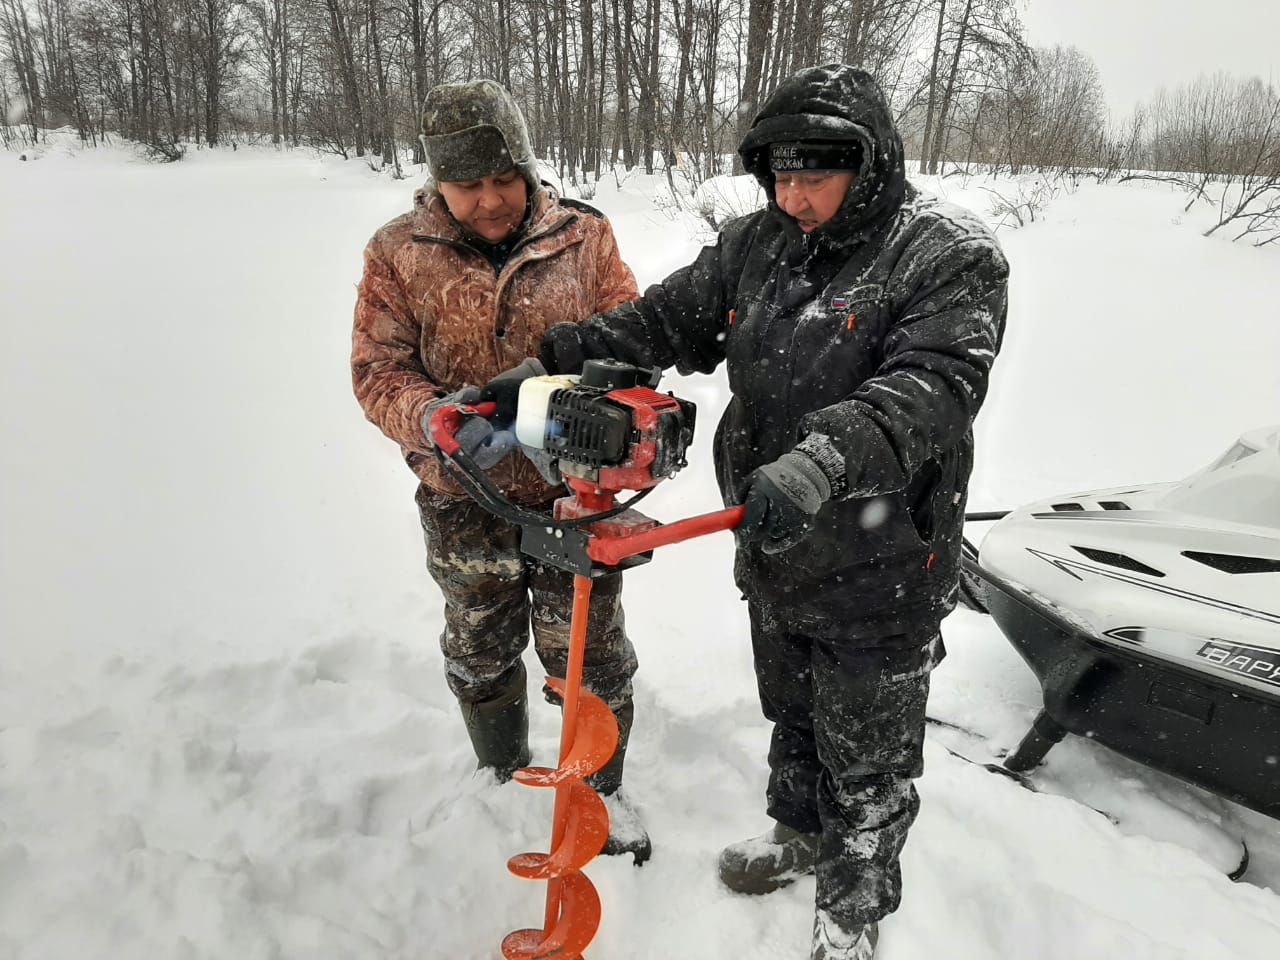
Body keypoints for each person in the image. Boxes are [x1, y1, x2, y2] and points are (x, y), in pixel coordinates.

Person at [534, 64, 1009, 958]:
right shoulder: (760, 242)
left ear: (867, 164)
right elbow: (667, 321)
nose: (793, 197)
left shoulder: (947, 254)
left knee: (867, 755)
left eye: (814, 177)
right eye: (779, 177)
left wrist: (822, 459)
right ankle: (799, 834)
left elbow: (933, 386)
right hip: (772, 536)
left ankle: (852, 913)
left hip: (886, 556)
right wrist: (557, 359)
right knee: (793, 710)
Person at [350, 79, 651, 862]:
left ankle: (601, 795)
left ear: (526, 166)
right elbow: (377, 369)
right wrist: (433, 420)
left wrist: (589, 406)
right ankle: (498, 771)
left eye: (503, 178)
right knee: (479, 647)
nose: (489, 200)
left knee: (590, 657)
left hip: (570, 502)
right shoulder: (397, 251)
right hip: (461, 500)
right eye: (467, 183)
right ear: (437, 181)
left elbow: (632, 341)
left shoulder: (584, 238)